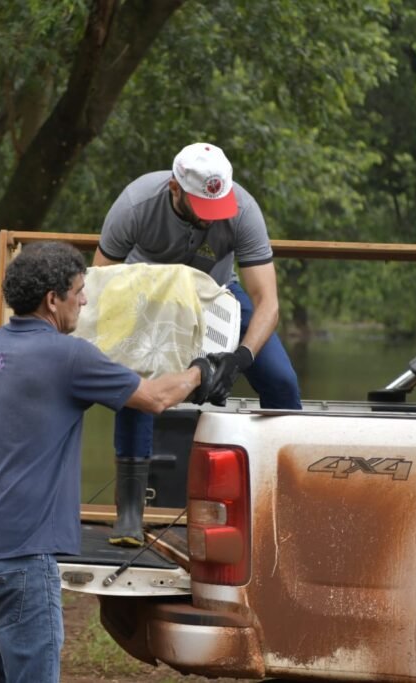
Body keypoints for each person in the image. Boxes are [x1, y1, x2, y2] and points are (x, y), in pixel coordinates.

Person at [0, 241, 212, 682]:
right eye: (79, 291)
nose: (85, 300)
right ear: (53, 299)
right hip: (21, 557)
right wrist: (203, 368)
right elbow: (157, 399)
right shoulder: (71, 356)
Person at [95, 141, 302, 546]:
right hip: (147, 294)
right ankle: (131, 510)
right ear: (175, 189)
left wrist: (240, 358)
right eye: (203, 211)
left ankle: (291, 492)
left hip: (217, 293)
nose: (212, 221)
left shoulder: (242, 208)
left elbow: (268, 302)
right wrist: (125, 348)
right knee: (138, 382)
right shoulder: (136, 204)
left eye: (218, 209)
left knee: (281, 378)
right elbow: (100, 284)